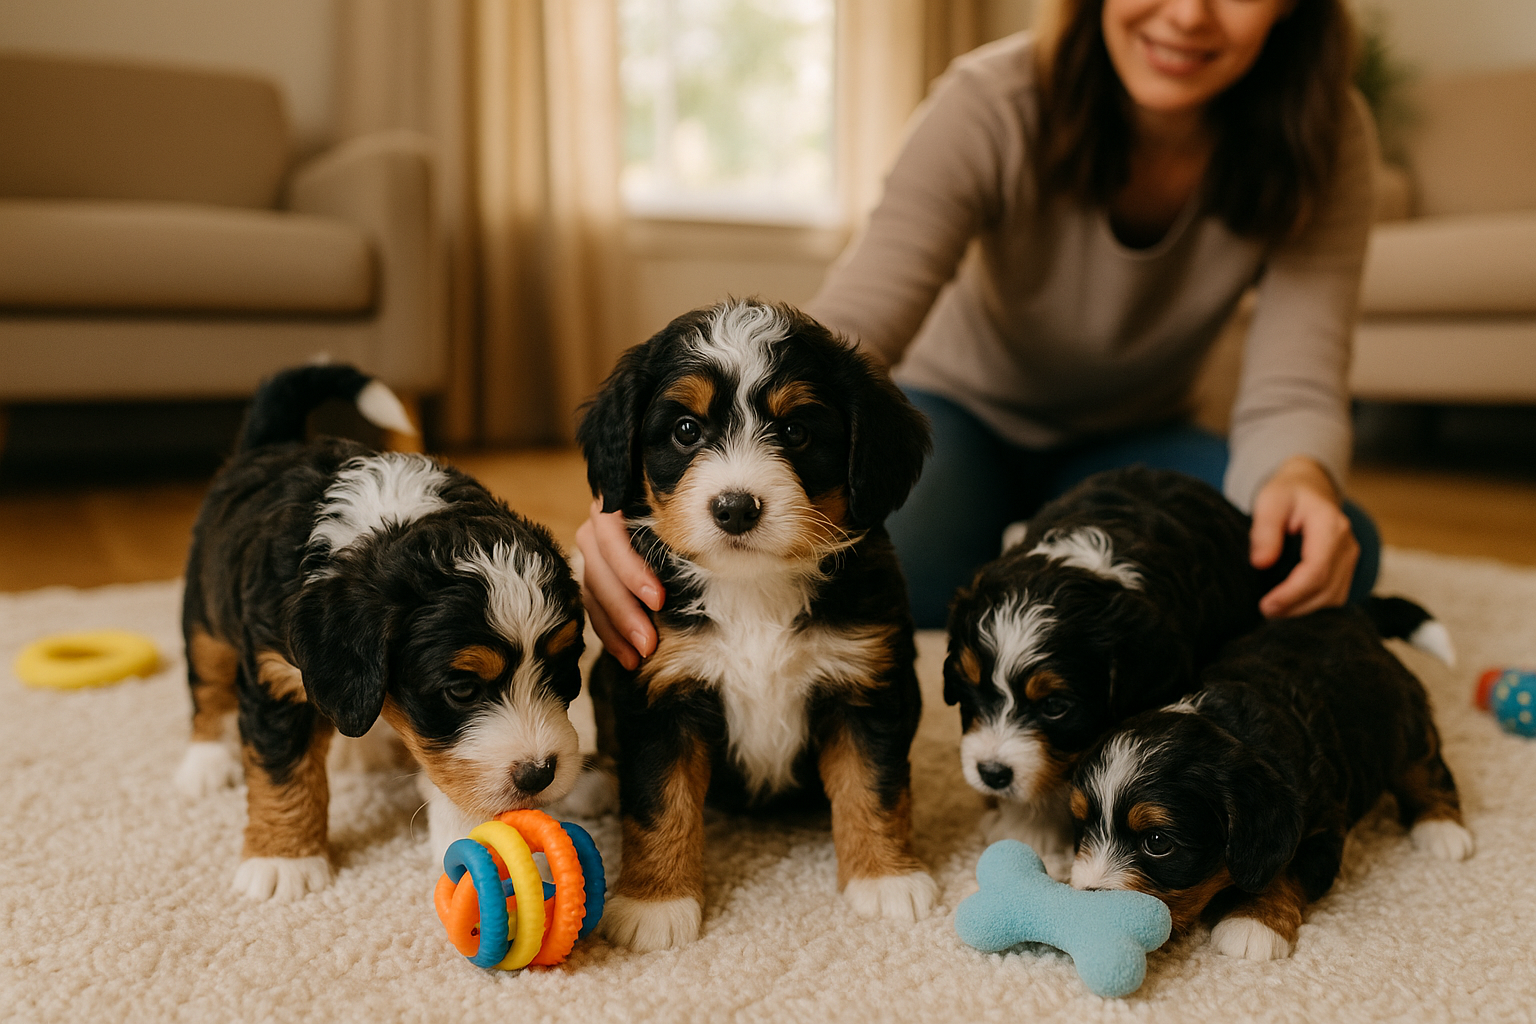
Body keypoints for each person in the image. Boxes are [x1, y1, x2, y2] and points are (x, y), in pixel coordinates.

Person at [580, 0, 1381, 664]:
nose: (1187, 15)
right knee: (886, 574)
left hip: (1134, 438)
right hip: (954, 416)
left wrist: (1299, 476)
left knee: (1324, 554)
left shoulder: (1328, 136)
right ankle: (1050, 555)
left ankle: (1042, 551)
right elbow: (850, 332)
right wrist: (629, 498)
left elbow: (1295, 379)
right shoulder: (989, 100)